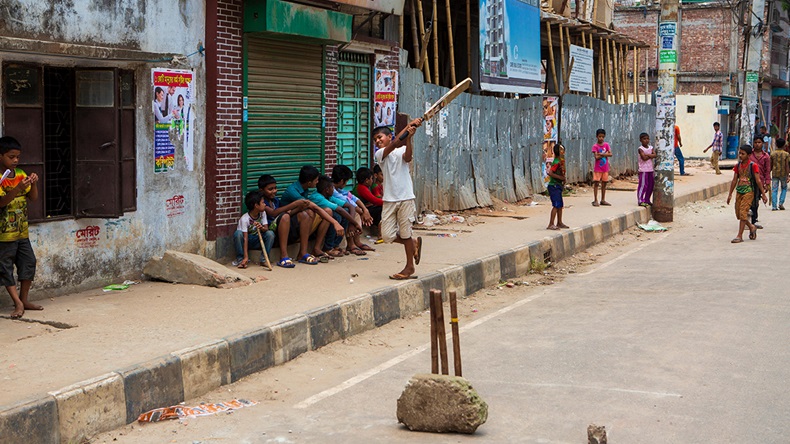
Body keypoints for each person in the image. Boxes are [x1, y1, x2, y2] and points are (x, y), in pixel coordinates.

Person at [373, 121, 424, 280]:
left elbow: (407, 157)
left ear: (389, 136)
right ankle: (413, 243)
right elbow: (395, 144)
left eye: (380, 137)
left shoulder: (401, 149)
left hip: (406, 197)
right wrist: (409, 126)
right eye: (375, 139)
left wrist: (409, 138)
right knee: (387, 235)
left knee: (405, 233)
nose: (377, 141)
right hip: (389, 199)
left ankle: (409, 267)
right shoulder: (380, 154)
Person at [0, 136, 41, 319]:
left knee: (28, 262)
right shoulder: (1, 178)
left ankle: (24, 299)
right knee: (6, 268)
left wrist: (33, 183)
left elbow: (33, 198)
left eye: (17, 157)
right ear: (0, 156)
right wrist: (17, 189)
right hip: (4, 234)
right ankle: (17, 303)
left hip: (21, 231)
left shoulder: (21, 174)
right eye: (11, 157)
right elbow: (1, 203)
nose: (16, 160)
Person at [258, 174, 326, 267]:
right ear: (261, 190)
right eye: (270, 189)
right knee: (285, 217)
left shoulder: (275, 200)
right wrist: (294, 204)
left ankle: (303, 253)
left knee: (304, 215)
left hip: (284, 229)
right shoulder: (261, 202)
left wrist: (299, 208)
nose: (274, 191)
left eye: (275, 188)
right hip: (272, 232)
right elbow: (274, 213)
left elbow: (287, 212)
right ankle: (283, 255)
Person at [281, 165, 345, 261]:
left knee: (327, 211)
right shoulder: (293, 191)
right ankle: (302, 252)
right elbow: (314, 207)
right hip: (288, 225)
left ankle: (316, 248)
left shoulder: (305, 189)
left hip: (300, 222)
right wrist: (335, 223)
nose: (317, 182)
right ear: (309, 182)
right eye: (316, 180)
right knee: (310, 212)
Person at [311, 175, 362, 257]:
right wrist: (356, 224)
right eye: (332, 188)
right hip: (315, 223)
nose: (333, 190)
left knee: (345, 213)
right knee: (337, 216)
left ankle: (335, 245)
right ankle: (328, 247)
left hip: (325, 222)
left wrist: (352, 224)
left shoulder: (328, 196)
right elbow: (339, 209)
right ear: (327, 190)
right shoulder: (317, 197)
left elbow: (350, 206)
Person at [726, 145, 766, 243]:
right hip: (739, 191)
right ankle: (751, 226)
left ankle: (739, 235)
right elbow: (734, 180)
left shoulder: (753, 166)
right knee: (738, 213)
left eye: (743, 154)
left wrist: (763, 194)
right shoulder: (738, 166)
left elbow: (758, 180)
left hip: (749, 192)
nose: (740, 155)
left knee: (743, 212)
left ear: (748, 155)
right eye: (739, 153)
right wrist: (730, 194)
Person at [331, 165, 374, 256]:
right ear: (342, 181)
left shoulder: (339, 189)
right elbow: (347, 202)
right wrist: (362, 212)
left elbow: (352, 198)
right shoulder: (332, 190)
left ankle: (356, 242)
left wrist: (365, 210)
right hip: (336, 212)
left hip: (343, 209)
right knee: (351, 212)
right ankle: (351, 244)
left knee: (354, 211)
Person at [233, 190, 274, 269]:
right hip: (247, 241)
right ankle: (241, 260)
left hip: (258, 239)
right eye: (263, 203)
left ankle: (264, 259)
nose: (265, 204)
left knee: (270, 234)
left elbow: (266, 228)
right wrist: (246, 256)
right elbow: (245, 238)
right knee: (238, 234)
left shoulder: (263, 213)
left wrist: (262, 228)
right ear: (256, 205)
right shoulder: (244, 219)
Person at [749, 136, 771, 228]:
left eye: (759, 142)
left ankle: (754, 220)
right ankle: (748, 219)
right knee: (748, 200)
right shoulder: (749, 155)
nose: (757, 144)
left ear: (762, 143)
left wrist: (767, 183)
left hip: (760, 182)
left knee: (756, 201)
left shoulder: (766, 156)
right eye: (755, 142)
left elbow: (767, 170)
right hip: (749, 181)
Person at [353, 167, 383, 232]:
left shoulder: (362, 187)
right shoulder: (362, 188)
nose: (372, 180)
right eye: (371, 179)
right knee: (380, 209)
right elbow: (375, 200)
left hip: (364, 208)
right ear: (367, 180)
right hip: (360, 210)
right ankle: (379, 230)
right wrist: (388, 202)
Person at [546, 143, 568, 230]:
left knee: (560, 205)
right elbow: (550, 173)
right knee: (556, 205)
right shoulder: (556, 162)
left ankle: (559, 222)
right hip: (554, 186)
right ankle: (551, 223)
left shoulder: (560, 162)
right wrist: (561, 178)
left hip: (557, 185)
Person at [591, 128, 612, 206]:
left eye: (602, 137)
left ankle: (603, 199)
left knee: (604, 184)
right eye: (600, 137)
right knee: (596, 183)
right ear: (597, 136)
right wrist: (605, 154)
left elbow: (610, 154)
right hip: (598, 169)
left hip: (605, 168)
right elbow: (596, 157)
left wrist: (601, 154)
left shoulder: (606, 145)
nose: (601, 138)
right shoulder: (595, 146)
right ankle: (595, 199)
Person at [770, 138, 790, 211]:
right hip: (783, 174)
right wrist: (788, 175)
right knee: (784, 188)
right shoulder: (786, 154)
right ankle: (781, 203)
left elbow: (770, 165)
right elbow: (787, 165)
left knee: (774, 189)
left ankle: (774, 206)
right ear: (784, 145)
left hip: (775, 174)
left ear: (776, 144)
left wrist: (768, 174)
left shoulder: (772, 154)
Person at [637, 132, 657, 207]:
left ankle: (647, 199)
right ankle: (640, 200)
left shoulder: (650, 147)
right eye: (644, 139)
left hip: (650, 169)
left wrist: (648, 155)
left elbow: (655, 155)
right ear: (640, 140)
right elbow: (644, 158)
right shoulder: (640, 149)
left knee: (651, 185)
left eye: (647, 139)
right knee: (643, 185)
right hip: (643, 170)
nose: (646, 140)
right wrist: (650, 155)